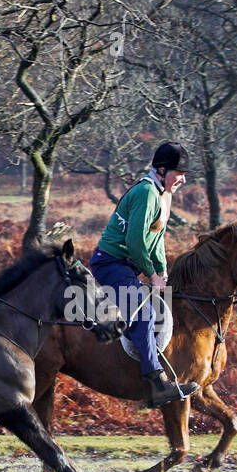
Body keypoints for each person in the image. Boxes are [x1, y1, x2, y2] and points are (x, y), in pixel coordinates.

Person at [92, 141, 200, 407]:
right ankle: (157, 384)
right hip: (111, 264)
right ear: (162, 170)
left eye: (185, 174)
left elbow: (157, 239)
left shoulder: (164, 194)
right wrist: (151, 274)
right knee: (144, 313)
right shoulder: (146, 193)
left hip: (128, 265)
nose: (183, 179)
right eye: (179, 173)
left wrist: (161, 268)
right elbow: (135, 242)